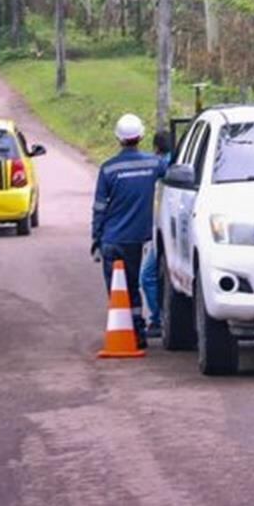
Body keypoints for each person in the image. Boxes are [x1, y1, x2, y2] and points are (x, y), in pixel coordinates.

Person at [90, 113, 166, 348]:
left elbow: (99, 208)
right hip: (135, 240)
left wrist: (95, 238)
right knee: (132, 286)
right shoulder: (153, 164)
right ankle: (138, 333)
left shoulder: (109, 169)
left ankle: (123, 331)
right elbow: (173, 168)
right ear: (141, 136)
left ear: (118, 138)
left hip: (111, 239)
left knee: (116, 290)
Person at [139, 127, 175, 339]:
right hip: (169, 229)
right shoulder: (175, 162)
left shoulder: (160, 164)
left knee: (147, 275)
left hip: (163, 229)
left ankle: (157, 319)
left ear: (156, 148)